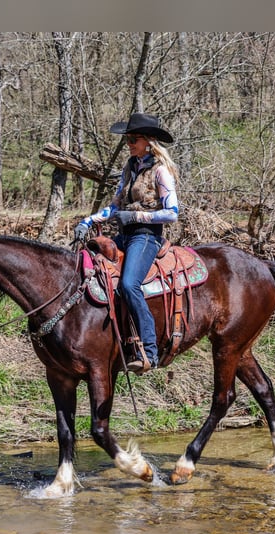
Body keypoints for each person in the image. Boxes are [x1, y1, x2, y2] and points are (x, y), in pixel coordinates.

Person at [74, 112, 179, 375]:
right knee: (92, 270)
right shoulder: (129, 168)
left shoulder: (160, 171)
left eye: (133, 139)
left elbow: (172, 212)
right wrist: (87, 221)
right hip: (124, 235)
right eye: (128, 139)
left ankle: (150, 350)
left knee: (130, 284)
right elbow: (115, 206)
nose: (129, 143)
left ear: (149, 141)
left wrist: (136, 215)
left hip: (147, 236)